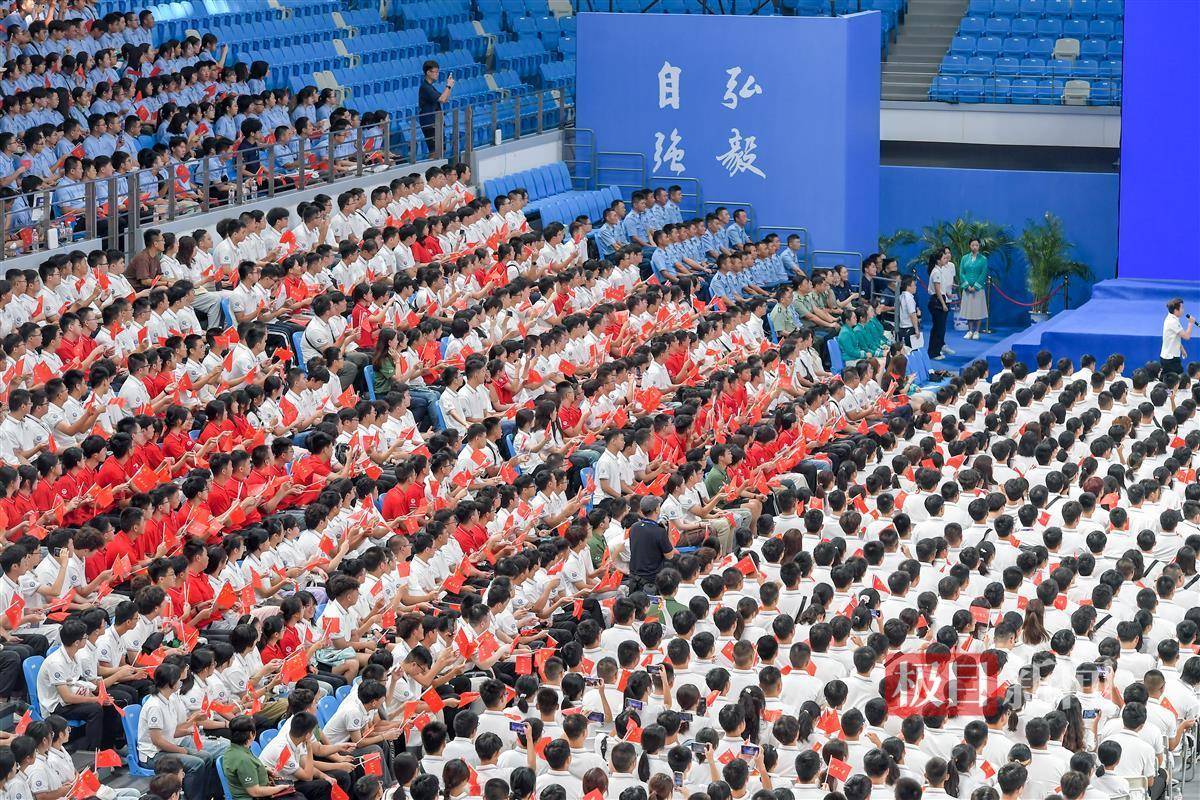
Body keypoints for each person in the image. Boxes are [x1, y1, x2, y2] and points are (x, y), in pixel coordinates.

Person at [626, 496, 676, 590]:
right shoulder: (659, 531)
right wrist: (668, 532)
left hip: (634, 579)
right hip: (651, 581)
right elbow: (670, 555)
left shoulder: (634, 527)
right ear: (657, 510)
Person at [417, 60, 454, 157]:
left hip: (437, 121)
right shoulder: (425, 87)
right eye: (435, 72)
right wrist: (448, 86)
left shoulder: (430, 87)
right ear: (428, 72)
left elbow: (444, 99)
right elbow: (442, 99)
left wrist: (449, 87)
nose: (437, 74)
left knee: (441, 149)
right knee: (434, 151)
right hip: (430, 122)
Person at [927, 247, 956, 360]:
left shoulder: (940, 270)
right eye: (944, 258)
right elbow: (938, 291)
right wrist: (944, 304)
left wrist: (948, 295)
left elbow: (943, 289)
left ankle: (937, 350)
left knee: (940, 328)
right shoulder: (936, 272)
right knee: (938, 328)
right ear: (938, 260)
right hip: (937, 302)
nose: (946, 259)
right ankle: (934, 353)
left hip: (941, 299)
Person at [958, 238, 988, 339]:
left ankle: (976, 331)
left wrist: (975, 287)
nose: (974, 247)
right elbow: (961, 273)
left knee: (977, 310)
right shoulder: (964, 258)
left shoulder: (983, 259)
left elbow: (983, 274)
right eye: (972, 245)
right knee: (969, 310)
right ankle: (970, 331)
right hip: (967, 290)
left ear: (979, 246)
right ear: (969, 246)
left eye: (976, 245)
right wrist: (967, 286)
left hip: (978, 290)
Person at [1160, 296, 1193, 375]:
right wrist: (1191, 323)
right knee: (1179, 380)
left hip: (1169, 357)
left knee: (1170, 381)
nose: (1183, 310)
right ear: (1175, 310)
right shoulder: (1172, 321)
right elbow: (1186, 336)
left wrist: (1181, 349)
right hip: (1170, 359)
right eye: (1182, 308)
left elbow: (1175, 337)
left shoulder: (1172, 318)